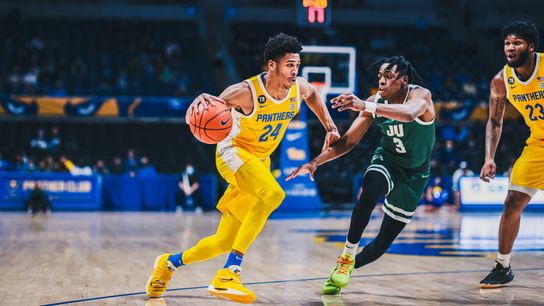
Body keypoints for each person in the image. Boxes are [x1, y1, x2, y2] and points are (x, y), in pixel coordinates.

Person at [146, 33, 340, 303]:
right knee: (273, 194)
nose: (295, 71)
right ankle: (229, 272)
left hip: (258, 162)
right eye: (289, 65)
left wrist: (330, 126)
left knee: (224, 240)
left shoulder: (299, 88)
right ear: (272, 65)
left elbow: (314, 95)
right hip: (233, 154)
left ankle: (168, 263)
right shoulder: (245, 92)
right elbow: (211, 106)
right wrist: (205, 100)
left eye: (297, 65)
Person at [287, 56, 435, 295]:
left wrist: (366, 106)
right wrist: (315, 162)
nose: (382, 82)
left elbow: (408, 114)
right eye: (379, 78)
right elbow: (347, 143)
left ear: (404, 80)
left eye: (388, 77)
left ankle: (344, 269)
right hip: (387, 160)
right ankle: (347, 253)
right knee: (370, 189)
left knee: (380, 246)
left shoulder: (421, 96)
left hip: (414, 176)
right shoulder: (374, 102)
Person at [479, 21, 543, 288]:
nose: (510, 47)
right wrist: (489, 157)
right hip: (538, 144)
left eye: (516, 43)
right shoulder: (501, 80)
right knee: (512, 202)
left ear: (531, 46)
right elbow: (494, 121)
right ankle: (502, 266)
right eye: (507, 43)